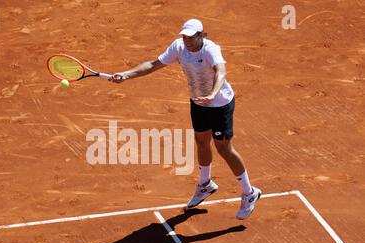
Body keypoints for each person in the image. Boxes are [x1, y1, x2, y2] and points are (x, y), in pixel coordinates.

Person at [109, 18, 261, 219]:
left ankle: (249, 193)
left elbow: (221, 71)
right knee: (201, 142)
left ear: (201, 36)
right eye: (185, 36)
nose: (187, 40)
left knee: (224, 148)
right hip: (198, 103)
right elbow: (154, 64)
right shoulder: (179, 47)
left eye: (191, 36)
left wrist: (213, 93)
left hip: (219, 104)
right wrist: (126, 75)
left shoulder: (210, 49)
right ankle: (205, 185)